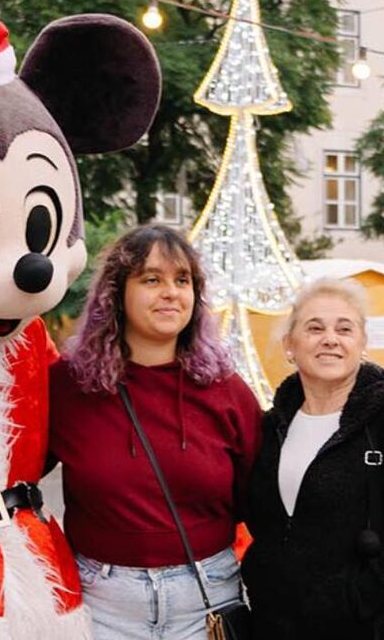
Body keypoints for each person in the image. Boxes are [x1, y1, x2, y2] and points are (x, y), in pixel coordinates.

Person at [49, 224, 262, 640]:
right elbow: (16, 478)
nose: (170, 293)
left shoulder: (226, 390)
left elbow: (259, 500)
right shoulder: (69, 387)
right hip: (103, 604)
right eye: (151, 279)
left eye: (182, 280)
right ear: (117, 294)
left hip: (207, 601)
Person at [242, 277, 384, 639]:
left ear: (362, 343)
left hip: (364, 628)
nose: (330, 339)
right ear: (289, 345)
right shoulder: (273, 425)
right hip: (274, 625)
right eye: (315, 328)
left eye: (344, 328)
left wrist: (357, 598)